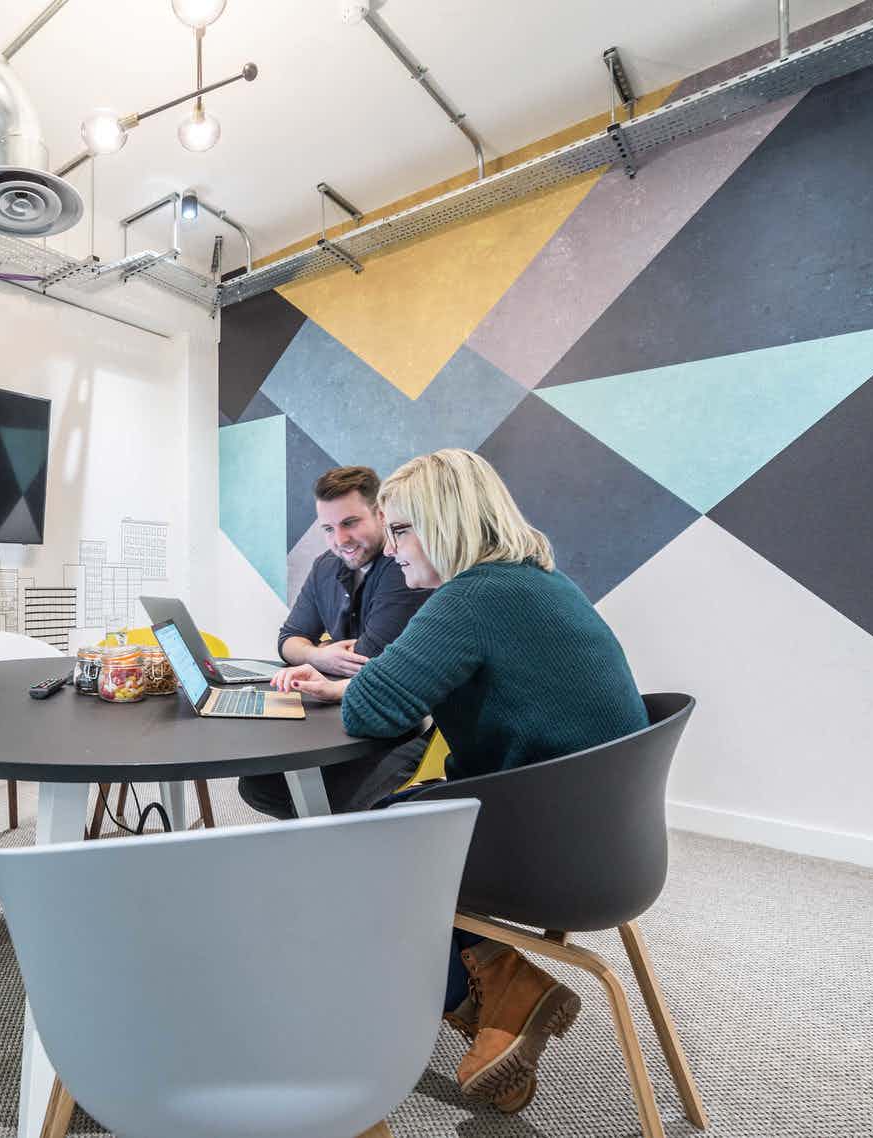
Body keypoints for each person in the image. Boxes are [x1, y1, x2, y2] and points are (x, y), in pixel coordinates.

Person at [270, 448, 650, 1114]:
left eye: (401, 530)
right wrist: (353, 681)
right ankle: (494, 1005)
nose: (391, 551)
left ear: (444, 522)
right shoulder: (533, 583)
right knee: (394, 818)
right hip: (607, 837)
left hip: (545, 848)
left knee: (352, 847)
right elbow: (405, 686)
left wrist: (351, 688)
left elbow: (375, 710)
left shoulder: (471, 597)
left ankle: (497, 994)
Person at [237, 466, 432, 819]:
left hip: (398, 725)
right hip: (342, 709)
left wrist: (314, 657)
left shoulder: (403, 567)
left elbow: (367, 660)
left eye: (350, 523)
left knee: (326, 802)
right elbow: (287, 640)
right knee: (258, 785)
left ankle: (339, 852)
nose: (339, 539)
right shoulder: (325, 566)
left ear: (380, 514)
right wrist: (320, 656)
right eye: (328, 528)